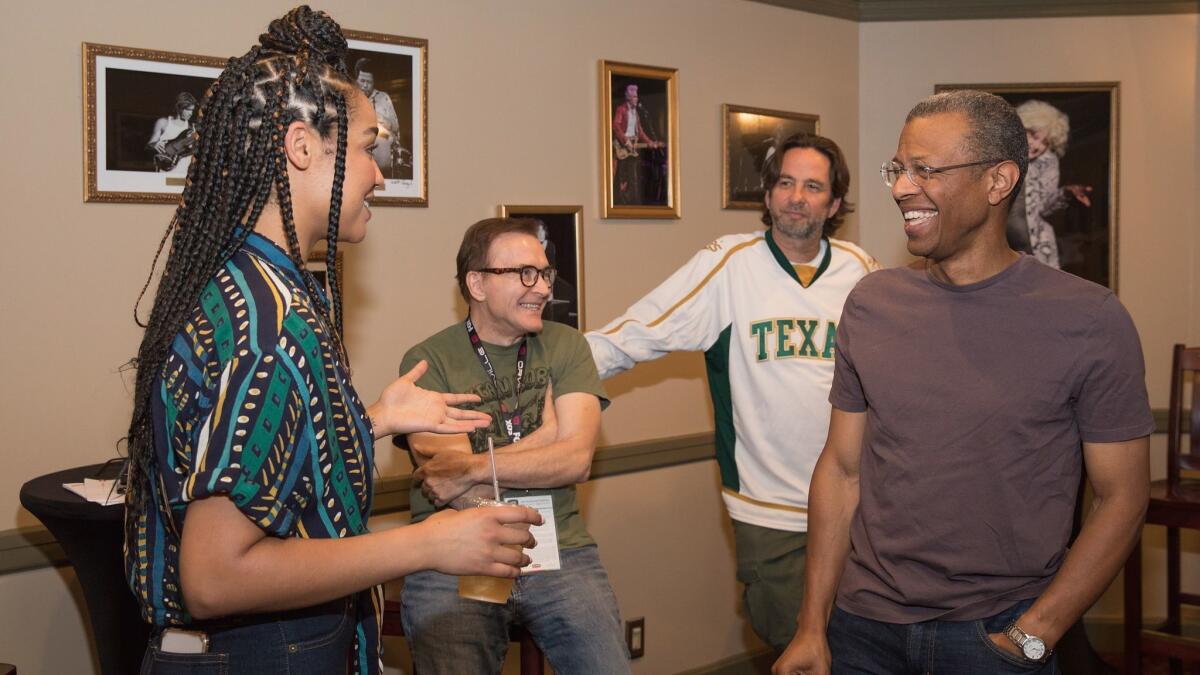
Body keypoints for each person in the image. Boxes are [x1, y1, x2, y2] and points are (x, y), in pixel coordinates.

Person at [123, 8, 540, 674]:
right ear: (301, 146)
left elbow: (257, 446)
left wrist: (369, 419)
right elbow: (215, 574)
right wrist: (429, 543)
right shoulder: (270, 324)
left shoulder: (249, 283)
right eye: (370, 146)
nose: (379, 173)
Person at [774, 90, 1152, 675]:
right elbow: (843, 469)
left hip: (998, 633)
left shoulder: (1090, 319)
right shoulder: (872, 303)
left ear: (999, 181)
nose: (901, 187)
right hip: (861, 630)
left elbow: (1122, 497)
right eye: (898, 169)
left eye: (925, 170)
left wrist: (1033, 637)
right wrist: (811, 626)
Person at [587, 133, 879, 653]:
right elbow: (641, 331)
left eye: (813, 186)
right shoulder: (731, 264)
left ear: (834, 204)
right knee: (794, 647)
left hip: (859, 508)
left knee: (863, 651)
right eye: (785, 183)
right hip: (771, 511)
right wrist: (549, 369)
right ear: (767, 196)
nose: (796, 196)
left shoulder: (862, 271)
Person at [397, 217, 630, 675]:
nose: (542, 287)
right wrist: (543, 441)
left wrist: (473, 467)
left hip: (559, 548)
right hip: (453, 551)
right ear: (477, 283)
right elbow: (447, 478)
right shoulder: (427, 362)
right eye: (525, 273)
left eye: (544, 273)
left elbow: (576, 460)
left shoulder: (567, 346)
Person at [1012, 99, 1093, 269]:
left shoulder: (1047, 162)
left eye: (1045, 142)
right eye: (1034, 136)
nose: (1037, 146)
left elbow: (1045, 207)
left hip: (1036, 249)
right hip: (1000, 251)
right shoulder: (997, 154)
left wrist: (1066, 193)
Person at [611, 83, 663, 205]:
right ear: (628, 98)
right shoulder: (621, 109)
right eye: (634, 97)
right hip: (622, 148)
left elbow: (640, 132)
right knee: (622, 179)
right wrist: (625, 141)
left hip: (633, 148)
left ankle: (632, 203)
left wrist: (650, 142)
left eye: (637, 96)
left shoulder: (636, 114)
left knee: (633, 178)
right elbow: (616, 126)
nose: (636, 99)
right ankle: (620, 203)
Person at [353, 57, 403, 175]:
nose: (365, 85)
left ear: (374, 82)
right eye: (362, 81)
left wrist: (378, 117)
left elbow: (395, 127)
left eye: (369, 82)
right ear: (356, 80)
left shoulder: (383, 97)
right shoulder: (349, 98)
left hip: (382, 149)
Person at [146, 91, 198, 175]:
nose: (191, 113)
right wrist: (154, 145)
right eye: (188, 110)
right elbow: (149, 145)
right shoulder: (163, 123)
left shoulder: (192, 128)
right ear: (179, 108)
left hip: (184, 174)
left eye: (192, 110)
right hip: (164, 172)